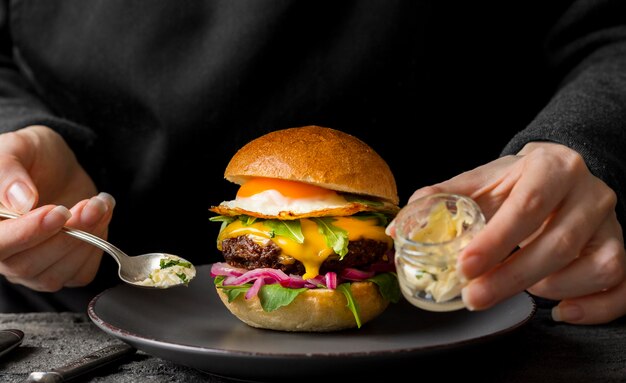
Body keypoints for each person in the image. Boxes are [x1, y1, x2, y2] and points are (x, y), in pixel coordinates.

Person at [0, 1, 624, 325]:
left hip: (470, 317)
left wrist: (579, 141)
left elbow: (609, 30)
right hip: (71, 320)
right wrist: (23, 134)